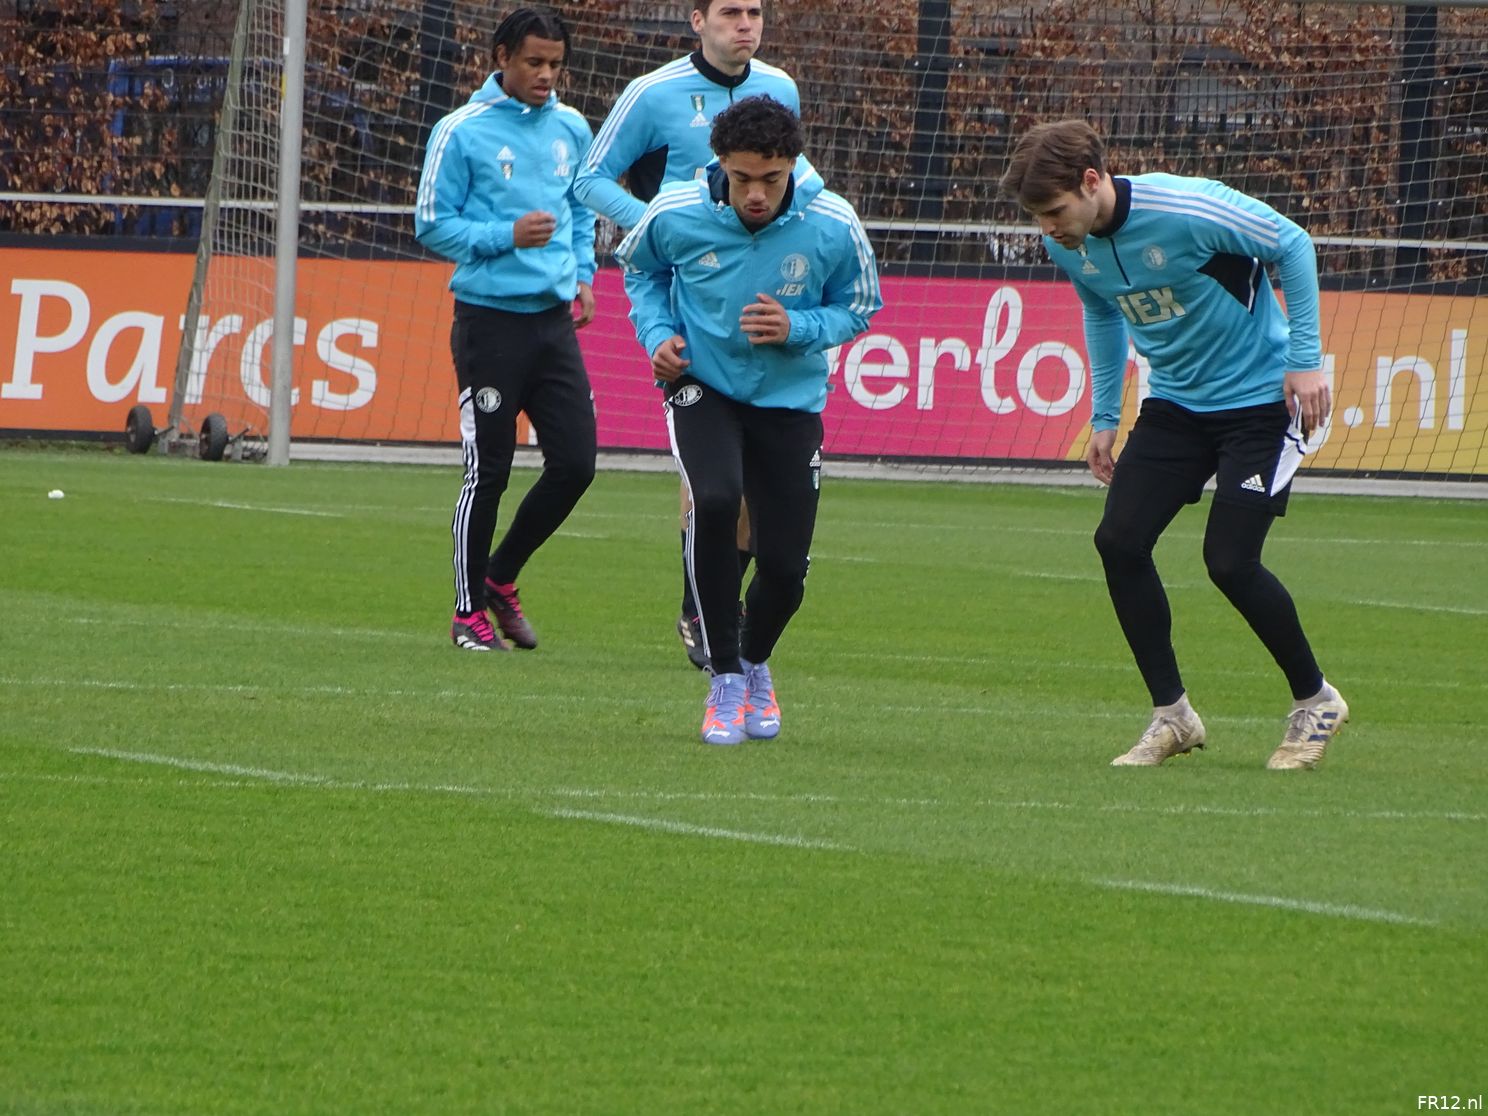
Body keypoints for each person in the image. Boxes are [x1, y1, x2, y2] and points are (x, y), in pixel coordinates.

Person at [1000, 118, 1348, 770]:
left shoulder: (1184, 209)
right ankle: (1173, 716)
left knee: (1229, 561)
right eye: (1037, 216)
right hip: (1175, 407)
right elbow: (1102, 310)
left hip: (1262, 407)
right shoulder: (1068, 243)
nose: (1047, 227)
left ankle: (1316, 699)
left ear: (1092, 180)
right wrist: (1105, 414)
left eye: (1054, 210)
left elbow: (1293, 245)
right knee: (1119, 541)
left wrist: (1306, 361)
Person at [614, 95, 882, 745]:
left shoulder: (833, 222)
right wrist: (658, 335)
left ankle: (756, 661)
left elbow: (861, 305)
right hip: (701, 386)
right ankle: (725, 677)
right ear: (720, 165)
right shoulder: (675, 212)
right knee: (712, 497)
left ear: (793, 165)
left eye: (771, 178)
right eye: (741, 179)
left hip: (790, 404)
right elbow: (640, 273)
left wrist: (800, 327)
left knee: (785, 572)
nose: (756, 194)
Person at [573, 0, 810, 672]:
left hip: (758, 292)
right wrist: (657, 223)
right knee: (715, 478)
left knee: (747, 484)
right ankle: (702, 614)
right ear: (696, 19)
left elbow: (796, 178)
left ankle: (705, 609)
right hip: (684, 297)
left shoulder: (781, 88)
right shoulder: (652, 93)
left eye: (756, 11)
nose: (747, 24)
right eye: (731, 11)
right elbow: (589, 177)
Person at [414, 7, 597, 652]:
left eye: (555, 64)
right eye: (534, 63)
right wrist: (505, 236)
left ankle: (500, 575)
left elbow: (579, 205)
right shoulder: (460, 132)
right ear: (502, 59)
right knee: (488, 466)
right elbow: (432, 224)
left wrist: (581, 272)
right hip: (489, 325)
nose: (546, 75)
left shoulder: (572, 128)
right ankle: (467, 613)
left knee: (576, 464)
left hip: (552, 325)